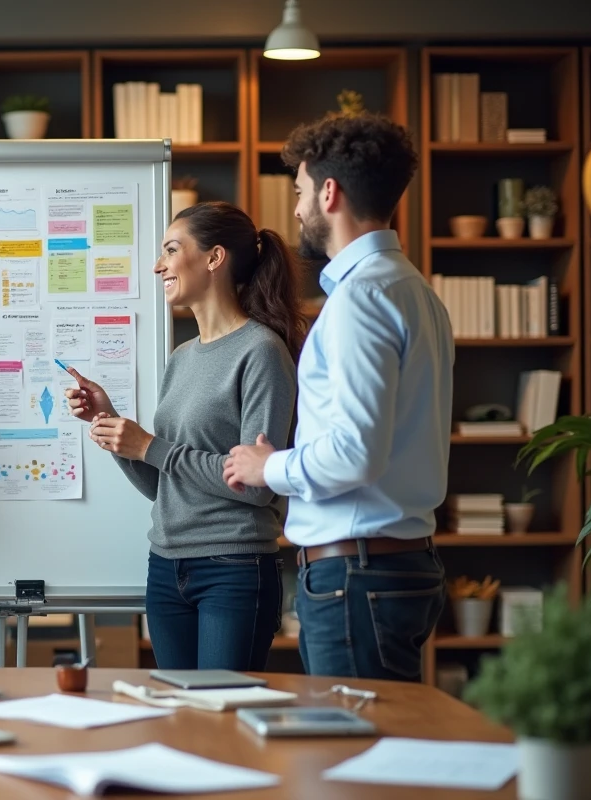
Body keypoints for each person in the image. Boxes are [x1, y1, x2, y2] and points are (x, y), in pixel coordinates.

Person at [223, 113, 453, 682]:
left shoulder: (361, 299)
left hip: (357, 574)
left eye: (299, 192)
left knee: (357, 738)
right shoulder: (415, 290)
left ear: (329, 193)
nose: (297, 210)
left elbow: (355, 453)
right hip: (392, 566)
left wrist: (267, 467)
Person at [65, 201, 305, 670]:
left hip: (233, 567)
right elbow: (165, 487)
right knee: (177, 710)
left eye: (171, 250)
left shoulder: (261, 351)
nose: (159, 265)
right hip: (165, 565)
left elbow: (258, 487)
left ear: (214, 258)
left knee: (220, 710)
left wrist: (149, 445)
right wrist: (112, 426)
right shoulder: (181, 358)